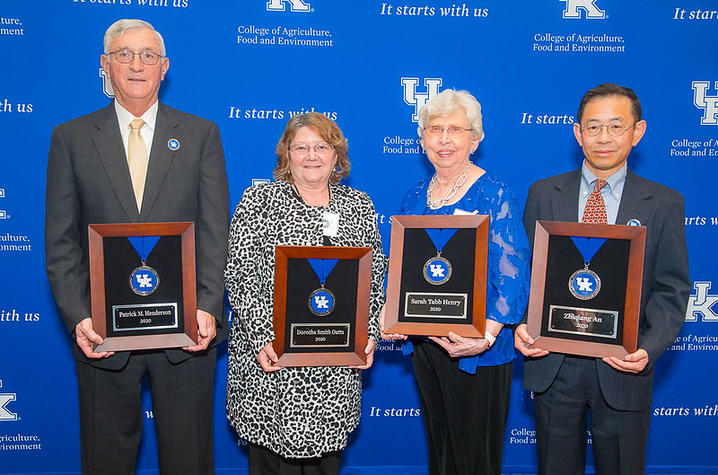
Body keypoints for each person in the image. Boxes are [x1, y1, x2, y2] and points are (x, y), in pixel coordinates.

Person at [45, 19, 229, 474]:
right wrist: (79, 318)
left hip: (187, 334)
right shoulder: (70, 138)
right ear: (104, 65)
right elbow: (60, 241)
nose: (136, 65)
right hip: (103, 336)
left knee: (189, 461)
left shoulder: (201, 134)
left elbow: (214, 230)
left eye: (148, 55)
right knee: (106, 461)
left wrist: (206, 305)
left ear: (164, 67)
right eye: (124, 54)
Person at [515, 83, 691, 474]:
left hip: (622, 365)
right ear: (577, 133)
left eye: (616, 126)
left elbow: (671, 288)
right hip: (554, 363)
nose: (604, 138)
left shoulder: (664, 203)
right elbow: (524, 276)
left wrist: (648, 347)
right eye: (593, 127)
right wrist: (523, 325)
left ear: (637, 131)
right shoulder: (543, 193)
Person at [224, 112, 387, 474]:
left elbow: (375, 279)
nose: (312, 156)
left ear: (336, 154)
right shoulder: (259, 200)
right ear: (287, 153)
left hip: (334, 372)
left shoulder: (359, 206)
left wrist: (368, 334)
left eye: (321, 146)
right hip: (272, 369)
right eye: (301, 147)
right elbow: (240, 275)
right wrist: (266, 338)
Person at [381, 89, 531, 475]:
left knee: (474, 460)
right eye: (434, 129)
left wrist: (489, 331)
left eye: (455, 129)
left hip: (476, 347)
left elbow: (513, 271)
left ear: (475, 139)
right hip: (426, 345)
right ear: (422, 139)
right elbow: (401, 265)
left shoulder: (495, 194)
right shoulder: (415, 197)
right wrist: (391, 309)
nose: (444, 139)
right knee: (442, 449)